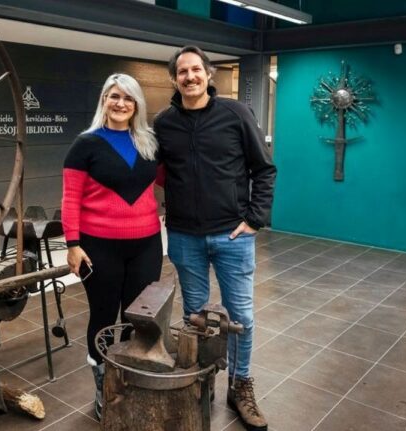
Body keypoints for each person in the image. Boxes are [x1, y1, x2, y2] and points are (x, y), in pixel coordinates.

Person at [154, 46, 276, 431]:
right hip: (185, 236)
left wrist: (255, 220)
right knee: (196, 316)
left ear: (208, 75)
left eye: (195, 70)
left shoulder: (236, 114)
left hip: (232, 235)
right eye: (182, 72)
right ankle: (202, 380)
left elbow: (265, 169)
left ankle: (239, 385)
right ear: (174, 79)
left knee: (240, 316)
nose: (189, 77)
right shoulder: (163, 123)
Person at [61, 73, 162, 420]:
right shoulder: (85, 144)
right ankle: (104, 385)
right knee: (104, 317)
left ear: (137, 105)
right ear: (104, 99)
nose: (121, 104)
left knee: (138, 317)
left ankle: (129, 380)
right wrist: (72, 244)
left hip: (147, 244)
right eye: (114, 96)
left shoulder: (149, 142)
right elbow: (70, 199)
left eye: (128, 98)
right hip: (98, 246)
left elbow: (164, 181)